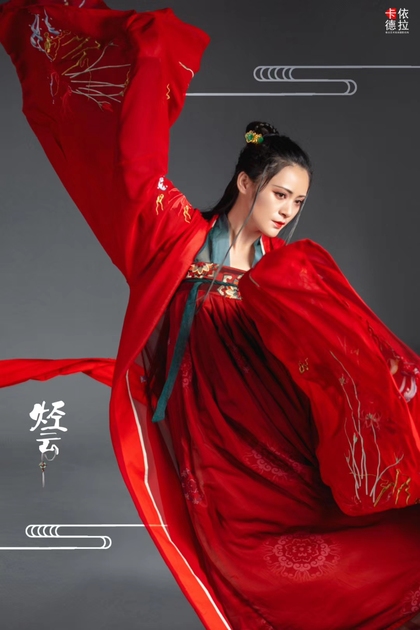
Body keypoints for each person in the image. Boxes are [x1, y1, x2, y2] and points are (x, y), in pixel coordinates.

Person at [1, 1, 420, 629]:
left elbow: (345, 342)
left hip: (282, 435)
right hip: (216, 446)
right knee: (250, 555)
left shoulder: (284, 266)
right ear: (247, 182)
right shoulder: (177, 236)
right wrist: (148, 55)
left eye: (298, 202)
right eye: (280, 193)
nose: (288, 211)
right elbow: (136, 167)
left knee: (374, 538)